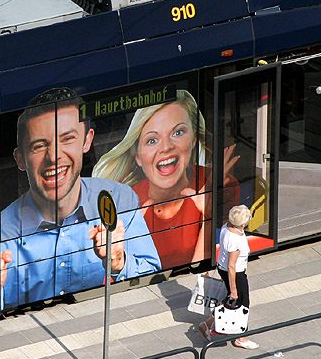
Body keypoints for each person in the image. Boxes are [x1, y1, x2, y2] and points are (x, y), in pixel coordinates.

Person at [0, 88, 161, 309]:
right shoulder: (0, 232)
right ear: (20, 159)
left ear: (87, 141)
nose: (54, 156)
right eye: (39, 145)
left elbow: (153, 275)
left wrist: (118, 261)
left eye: (67, 139)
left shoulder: (117, 199)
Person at [92, 90, 239, 269]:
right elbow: (122, 272)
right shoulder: (125, 202)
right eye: (152, 141)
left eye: (177, 132)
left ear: (193, 139)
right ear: (137, 156)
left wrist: (208, 215)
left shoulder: (220, 183)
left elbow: (203, 270)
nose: (166, 147)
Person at [199, 204, 258, 349]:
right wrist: (233, 289)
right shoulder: (236, 240)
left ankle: (206, 324)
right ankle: (241, 338)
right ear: (243, 223)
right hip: (235, 273)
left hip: (223, 268)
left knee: (230, 301)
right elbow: (232, 266)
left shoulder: (227, 227)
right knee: (243, 303)